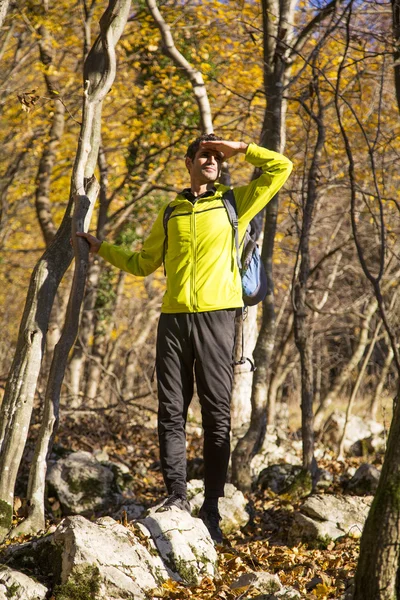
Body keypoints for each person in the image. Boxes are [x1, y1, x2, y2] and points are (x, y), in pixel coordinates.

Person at [77, 133, 292, 543]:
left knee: (216, 416)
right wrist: (101, 247)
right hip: (173, 320)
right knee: (170, 411)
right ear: (189, 161)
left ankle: (211, 505)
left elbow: (282, 167)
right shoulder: (170, 211)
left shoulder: (236, 202)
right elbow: (143, 263)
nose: (211, 160)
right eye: (204, 155)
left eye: (216, 156)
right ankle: (176, 496)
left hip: (218, 318)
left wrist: (241, 148)